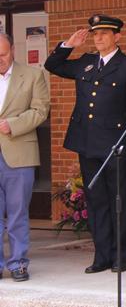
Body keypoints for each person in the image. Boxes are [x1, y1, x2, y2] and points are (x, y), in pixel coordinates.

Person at [44, 15, 126, 273]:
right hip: (88, 142)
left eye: (104, 33)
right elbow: (52, 65)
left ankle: (121, 255)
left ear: (117, 37)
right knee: (96, 200)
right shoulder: (87, 63)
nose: (98, 38)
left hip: (116, 143)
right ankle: (101, 255)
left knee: (117, 199)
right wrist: (69, 44)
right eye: (95, 34)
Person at [0, 34, 50, 281]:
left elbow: (41, 110)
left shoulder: (32, 75)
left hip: (19, 153)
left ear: (13, 51)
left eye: (3, 54)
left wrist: (13, 124)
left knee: (18, 213)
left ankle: (18, 262)